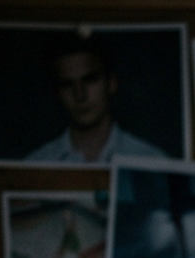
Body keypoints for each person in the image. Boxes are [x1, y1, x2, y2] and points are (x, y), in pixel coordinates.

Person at [21, 33, 164, 165]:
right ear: (57, 93)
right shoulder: (36, 164)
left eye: (90, 80)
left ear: (111, 83)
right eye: (67, 85)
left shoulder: (151, 162)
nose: (80, 95)